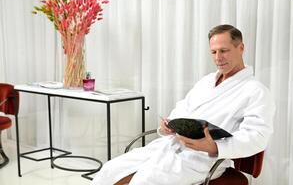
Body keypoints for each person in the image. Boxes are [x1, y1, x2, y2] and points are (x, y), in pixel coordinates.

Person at [91, 24, 275, 185]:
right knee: (110, 170)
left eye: (224, 50)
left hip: (203, 159)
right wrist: (169, 124)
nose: (218, 57)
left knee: (145, 180)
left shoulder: (256, 91)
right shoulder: (206, 81)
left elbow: (258, 136)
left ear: (240, 48)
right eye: (213, 51)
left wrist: (214, 147)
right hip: (170, 146)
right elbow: (183, 108)